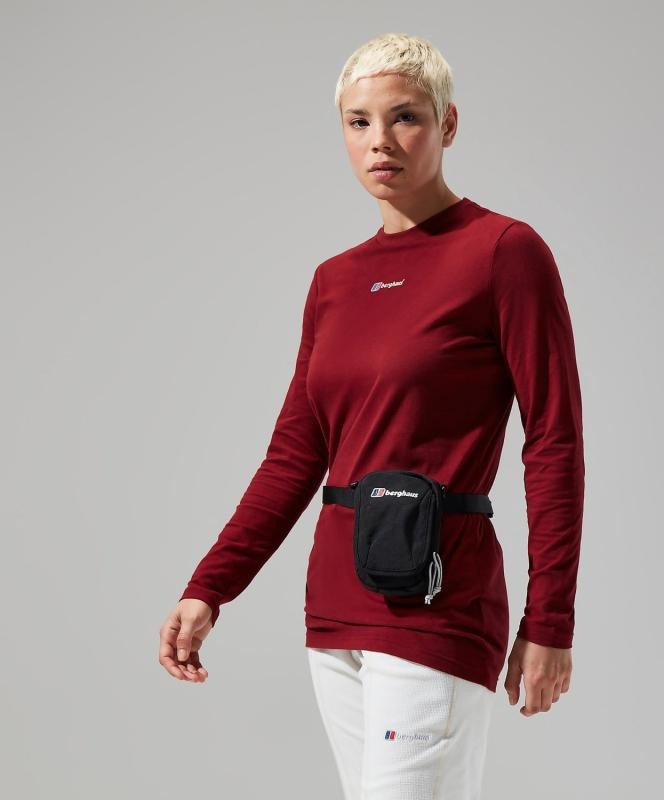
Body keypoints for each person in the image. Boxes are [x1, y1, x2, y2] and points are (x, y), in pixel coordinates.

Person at [159, 32, 585, 800]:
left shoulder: (503, 253)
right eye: (358, 122)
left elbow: (554, 442)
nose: (379, 140)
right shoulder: (334, 281)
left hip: (438, 603)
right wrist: (210, 586)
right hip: (335, 613)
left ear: (447, 123)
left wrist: (549, 620)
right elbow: (295, 455)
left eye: (405, 117)